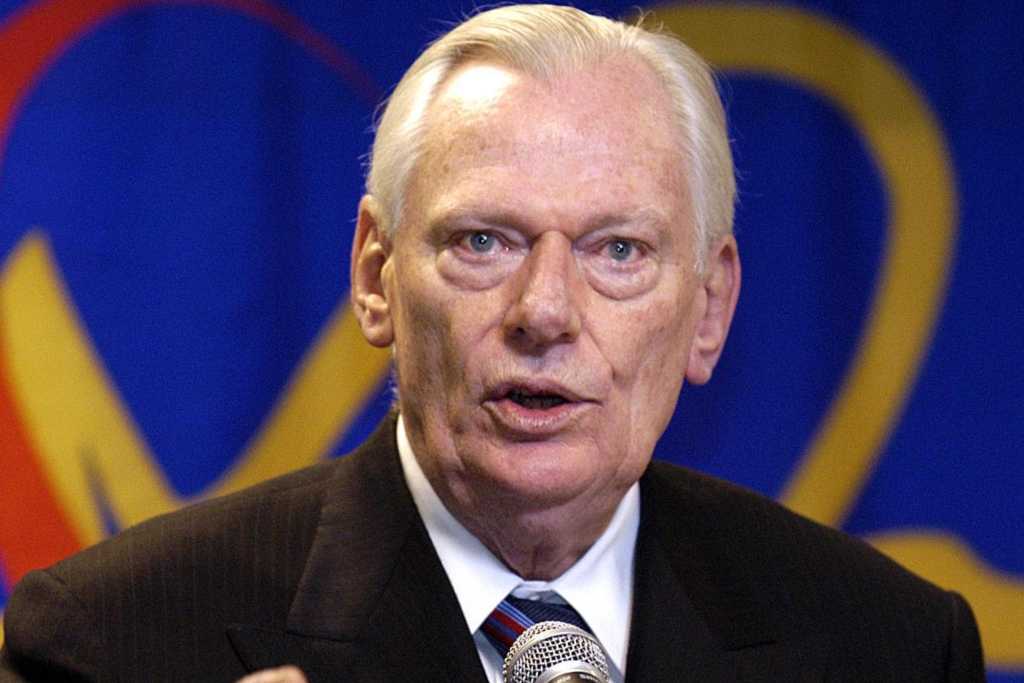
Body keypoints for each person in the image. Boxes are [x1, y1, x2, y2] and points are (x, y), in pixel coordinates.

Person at [0, 5, 984, 682]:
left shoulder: (889, 642)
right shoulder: (108, 642)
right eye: (484, 240)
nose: (544, 309)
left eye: (619, 249)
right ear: (374, 274)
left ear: (709, 305)